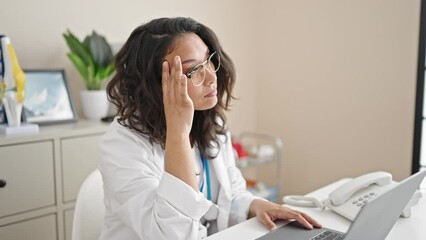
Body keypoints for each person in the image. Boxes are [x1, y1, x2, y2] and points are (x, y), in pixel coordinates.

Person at [98, 17, 321, 240]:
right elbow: (171, 235)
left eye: (208, 61)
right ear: (154, 86)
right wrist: (178, 133)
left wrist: (257, 205)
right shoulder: (121, 145)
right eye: (194, 69)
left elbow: (230, 195)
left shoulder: (209, 122)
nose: (212, 76)